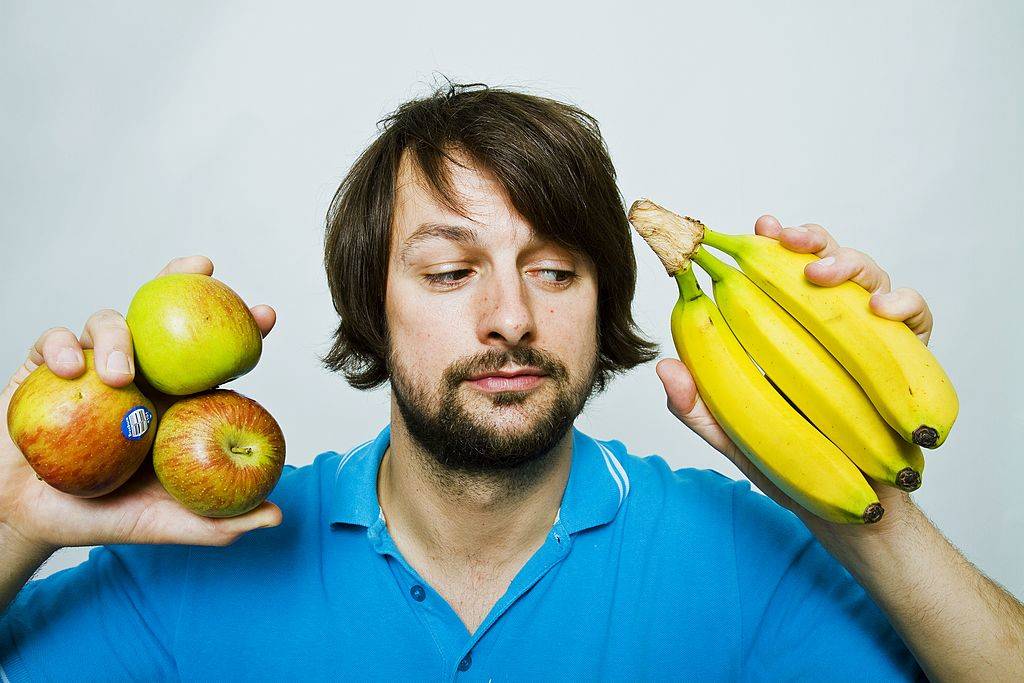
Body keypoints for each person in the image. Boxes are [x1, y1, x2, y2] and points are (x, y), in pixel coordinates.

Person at [1, 80, 1021, 681]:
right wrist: (20, 517)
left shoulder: (746, 555)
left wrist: (866, 502)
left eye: (554, 270)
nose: (510, 317)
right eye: (449, 271)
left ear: (605, 300)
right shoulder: (201, 554)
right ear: (371, 304)